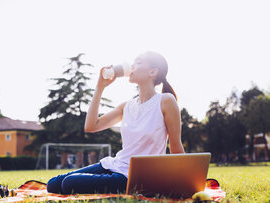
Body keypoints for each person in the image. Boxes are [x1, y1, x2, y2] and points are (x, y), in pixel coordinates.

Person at [47, 51, 185, 194]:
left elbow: (176, 147)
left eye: (138, 62)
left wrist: (184, 183)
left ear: (152, 71)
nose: (132, 66)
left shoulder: (166, 101)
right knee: (53, 184)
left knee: (70, 183)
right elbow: (91, 126)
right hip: (115, 164)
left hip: (135, 176)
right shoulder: (126, 106)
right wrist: (100, 87)